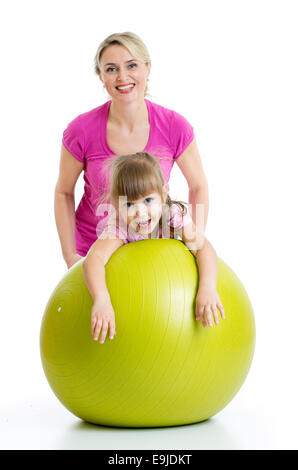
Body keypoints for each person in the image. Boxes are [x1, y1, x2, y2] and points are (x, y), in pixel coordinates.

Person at [54, 32, 209, 269]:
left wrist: (193, 247)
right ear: (101, 76)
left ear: (147, 68)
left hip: (154, 252)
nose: (122, 76)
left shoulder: (175, 126)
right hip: (93, 253)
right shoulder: (80, 130)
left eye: (132, 65)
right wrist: (70, 256)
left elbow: (198, 187)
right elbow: (64, 192)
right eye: (111, 69)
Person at [82, 152, 225, 345]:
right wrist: (101, 299)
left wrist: (207, 287)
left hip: (176, 304)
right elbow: (94, 259)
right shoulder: (120, 226)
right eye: (130, 204)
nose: (140, 212)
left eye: (148, 200)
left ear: (163, 194)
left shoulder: (172, 216)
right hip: (138, 309)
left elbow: (203, 249)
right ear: (116, 205)